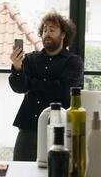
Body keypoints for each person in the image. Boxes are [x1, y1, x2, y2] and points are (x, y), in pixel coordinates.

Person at [9, 12, 84, 161]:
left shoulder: (74, 62)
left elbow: (62, 91)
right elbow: (19, 87)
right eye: (44, 30)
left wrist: (30, 84)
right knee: (20, 171)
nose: (47, 33)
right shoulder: (30, 59)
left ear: (63, 34)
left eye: (52, 30)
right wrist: (17, 68)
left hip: (59, 131)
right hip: (28, 128)